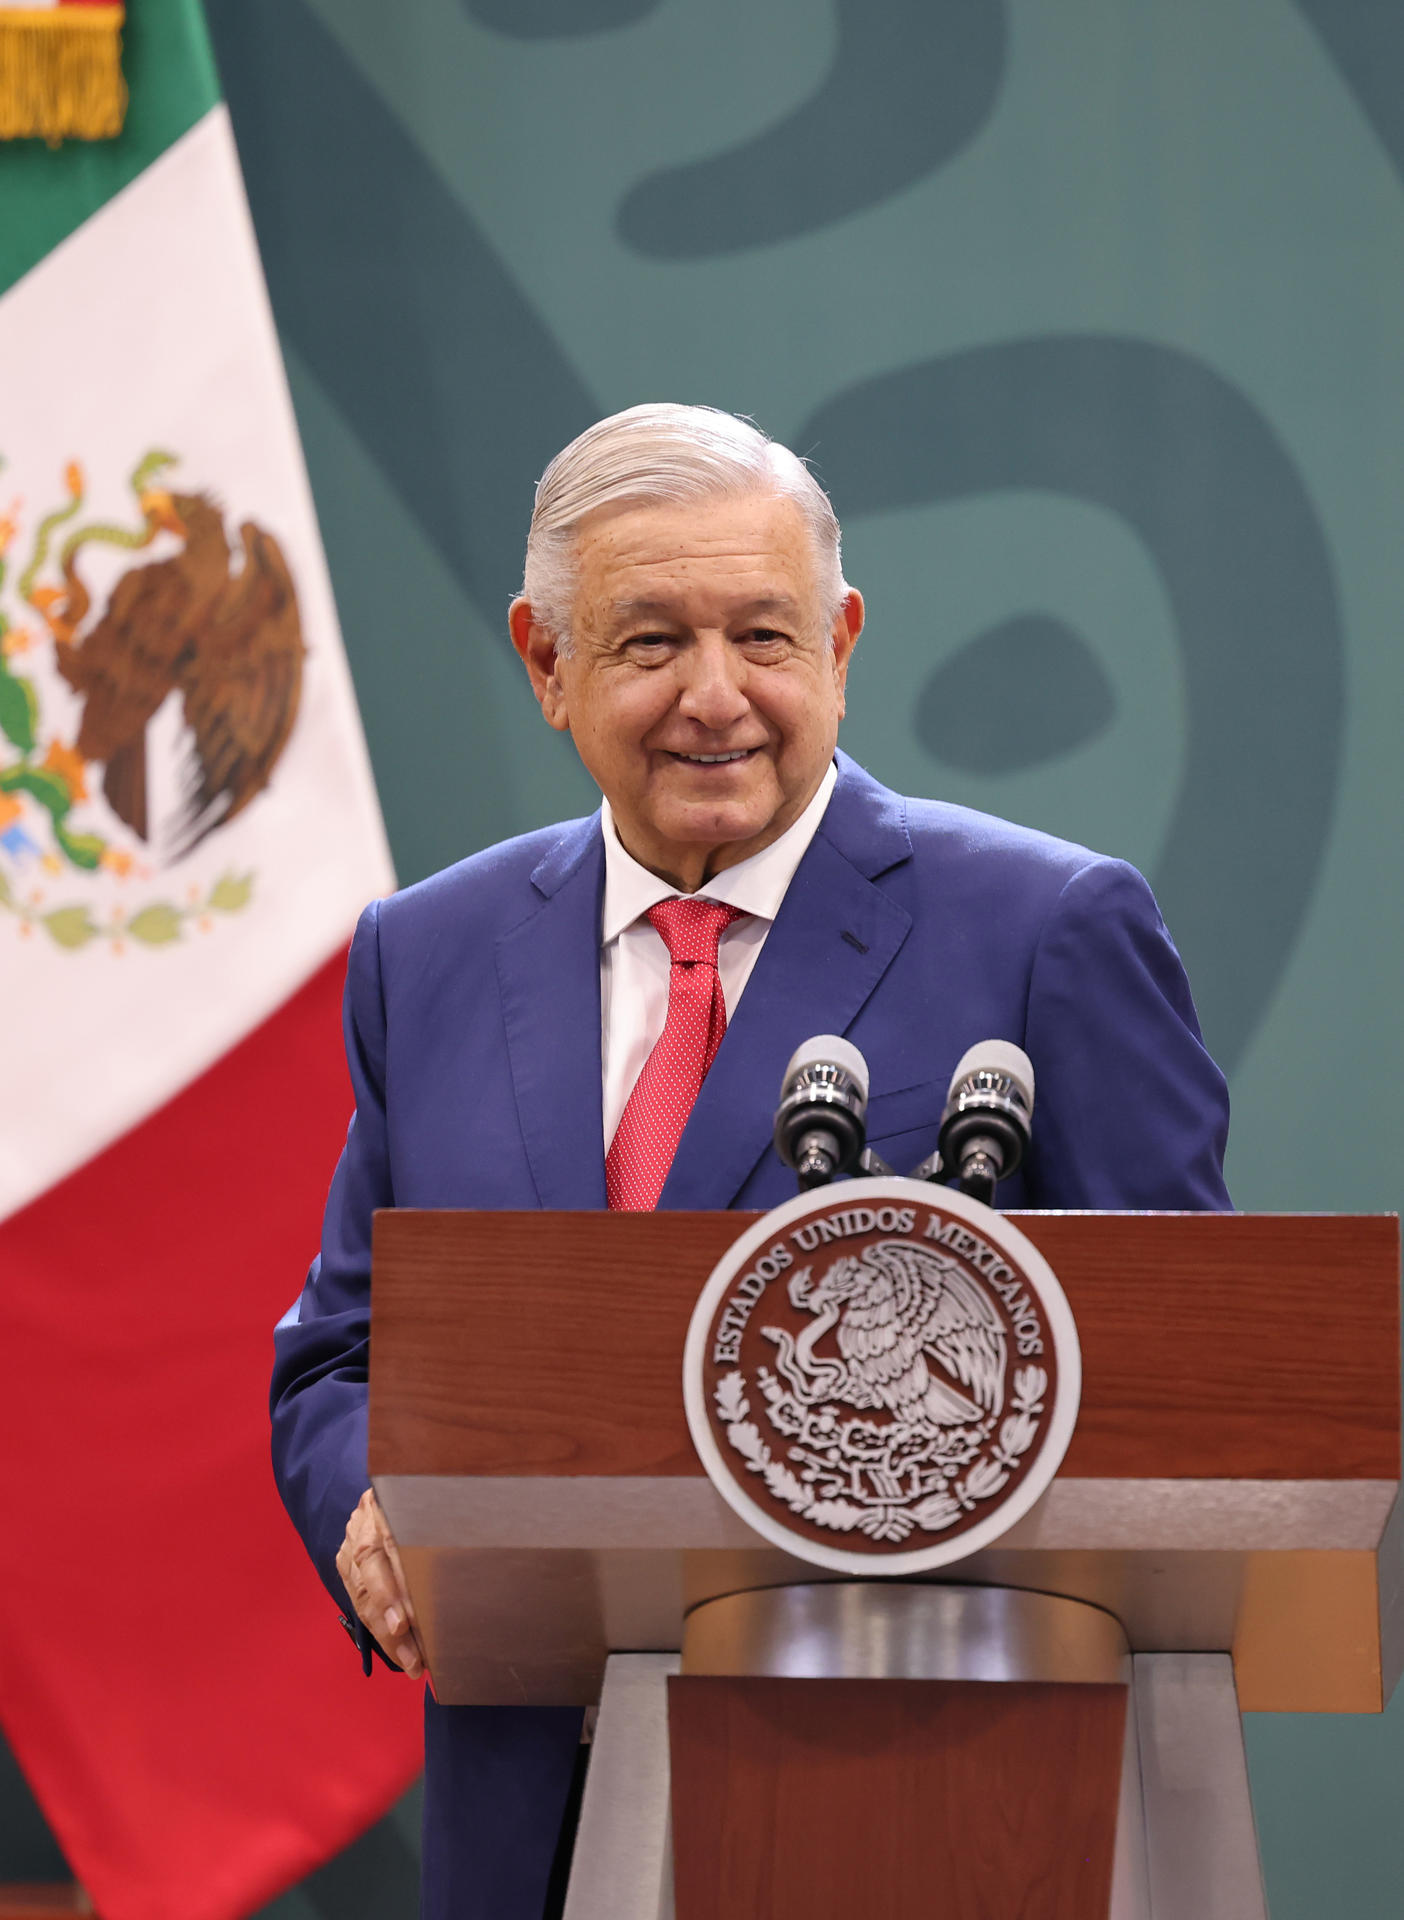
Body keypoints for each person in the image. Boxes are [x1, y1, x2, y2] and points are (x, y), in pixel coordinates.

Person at [271, 404, 1230, 1919]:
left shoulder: (1048, 932)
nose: (717, 699)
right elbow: (340, 1353)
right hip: (533, 1818)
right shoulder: (429, 953)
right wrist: (366, 1511)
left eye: (766, 638)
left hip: (938, 1802)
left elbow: (1195, 1384)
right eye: (650, 643)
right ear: (545, 663)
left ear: (843, 643)